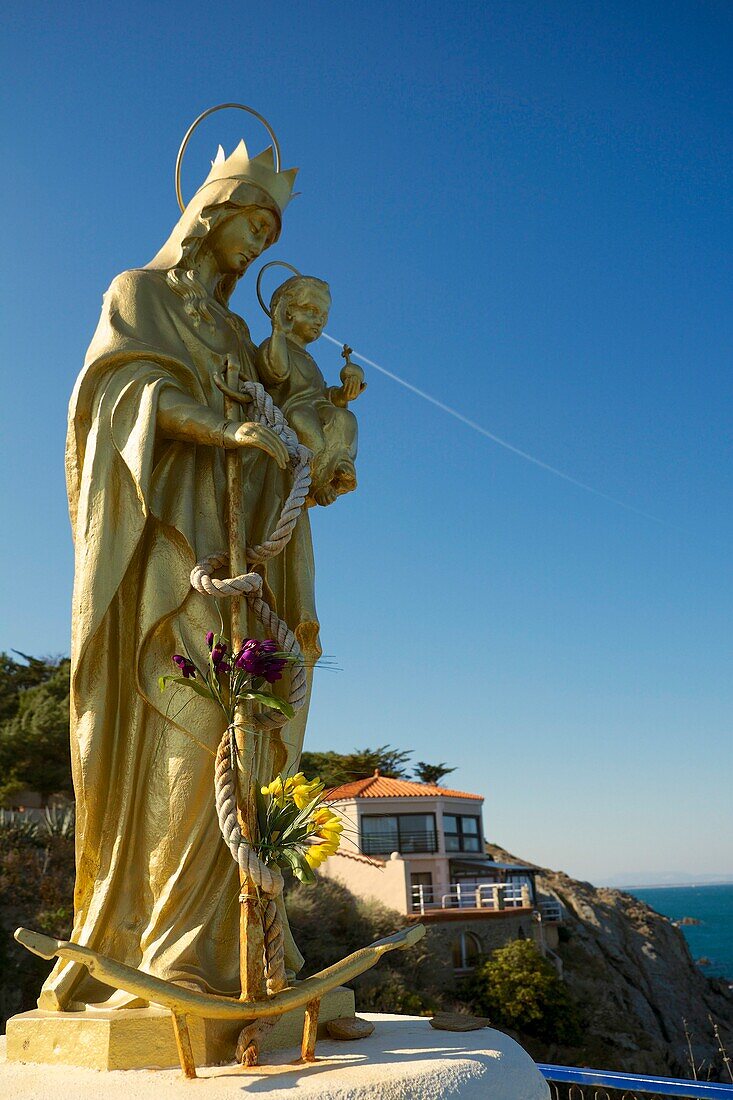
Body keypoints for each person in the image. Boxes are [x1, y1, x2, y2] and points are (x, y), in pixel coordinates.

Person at [41, 141, 315, 1011]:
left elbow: (282, 416)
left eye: (269, 233)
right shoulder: (138, 293)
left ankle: (252, 952)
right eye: (252, 223)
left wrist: (298, 446)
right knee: (189, 729)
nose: (256, 245)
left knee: (253, 739)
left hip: (239, 560)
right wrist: (215, 426)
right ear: (211, 211)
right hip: (167, 558)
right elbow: (117, 398)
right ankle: (168, 951)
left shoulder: (239, 330)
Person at [258, 275, 366, 506]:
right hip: (290, 411)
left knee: (345, 418)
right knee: (305, 424)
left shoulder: (310, 360)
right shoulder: (274, 345)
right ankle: (316, 481)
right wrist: (278, 331)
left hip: (315, 406)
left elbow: (321, 393)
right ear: (288, 312)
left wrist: (342, 395)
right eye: (311, 311)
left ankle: (339, 466)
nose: (319, 322)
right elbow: (275, 373)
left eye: (323, 317)